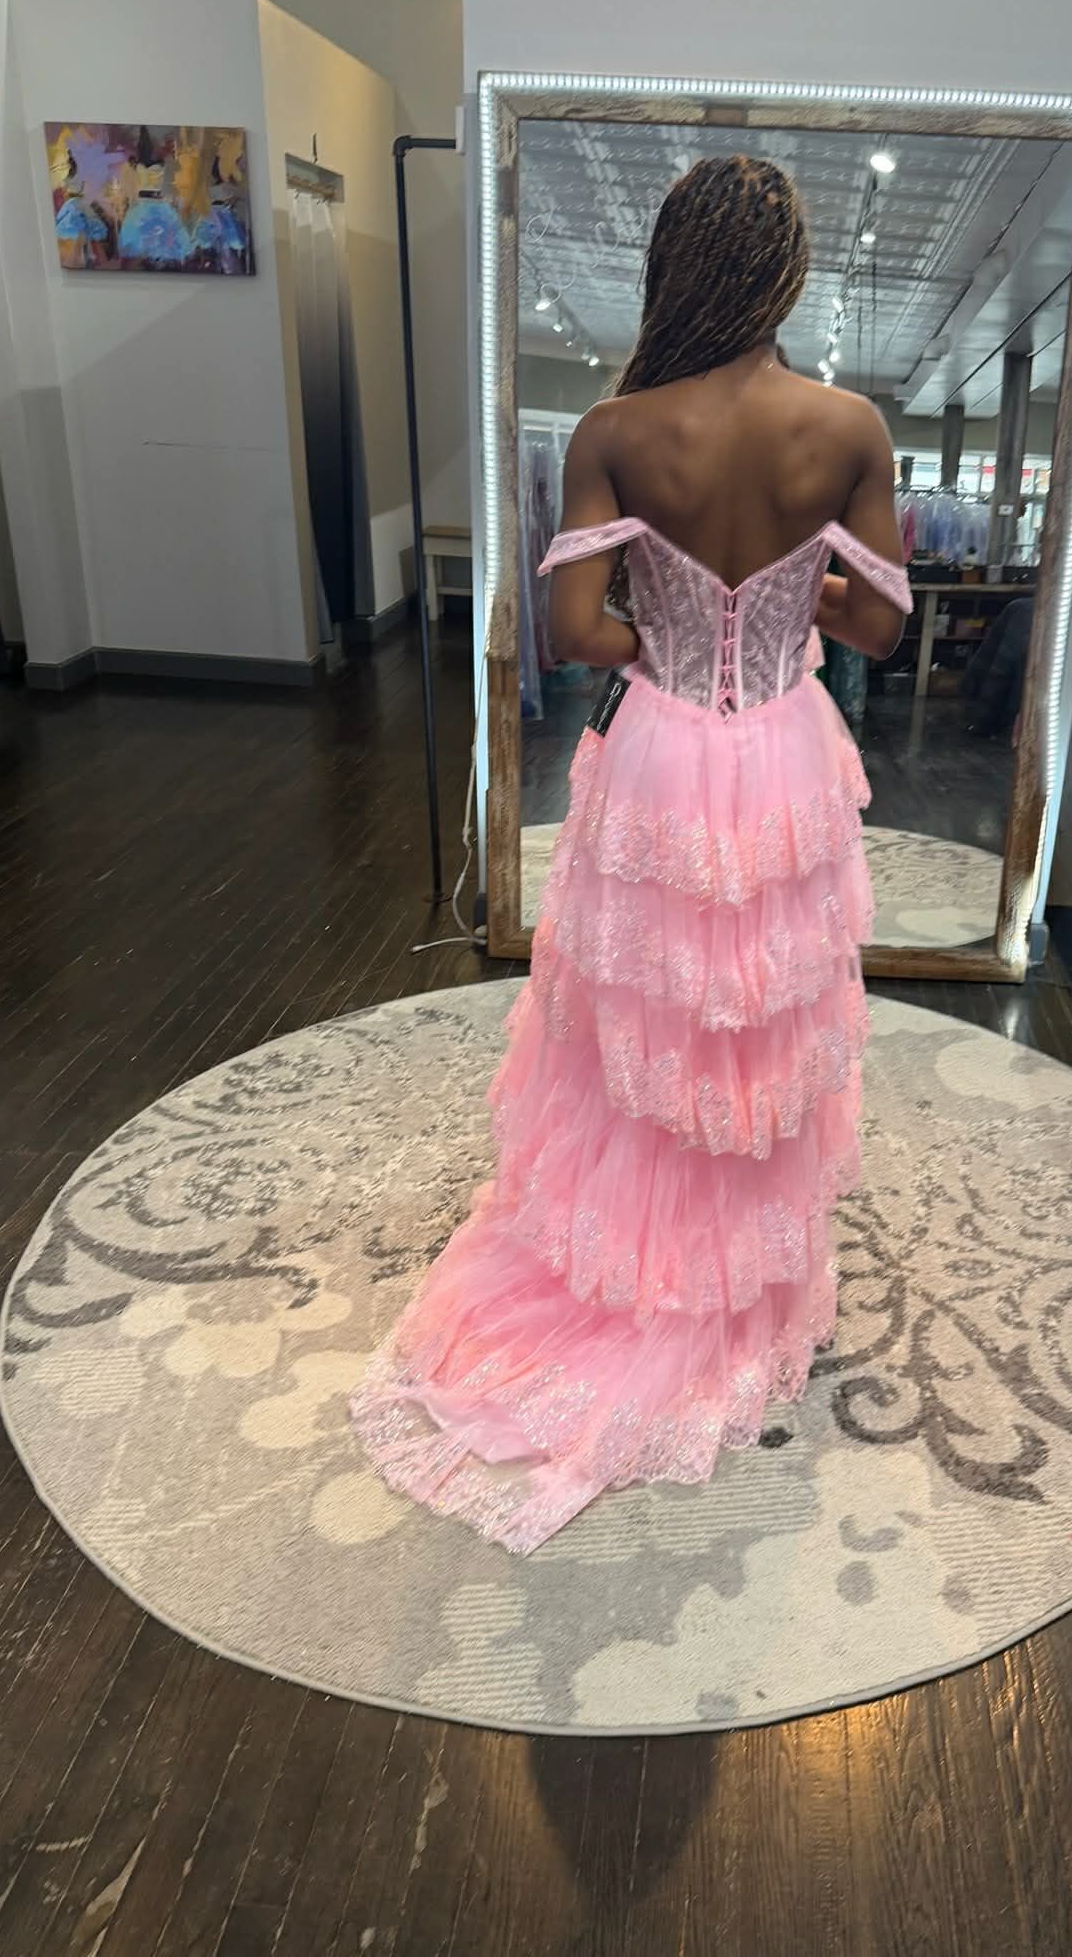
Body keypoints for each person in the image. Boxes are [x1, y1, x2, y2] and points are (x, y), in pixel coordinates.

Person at [352, 155, 910, 1552]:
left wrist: (674, 627)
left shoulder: (615, 425)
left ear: (680, 268)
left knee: (640, 1022)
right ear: (781, 272)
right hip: (780, 745)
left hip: (660, 750)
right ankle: (730, 1276)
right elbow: (888, 629)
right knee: (754, 1027)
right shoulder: (848, 427)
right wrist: (797, 601)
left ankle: (637, 1267)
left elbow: (572, 633)